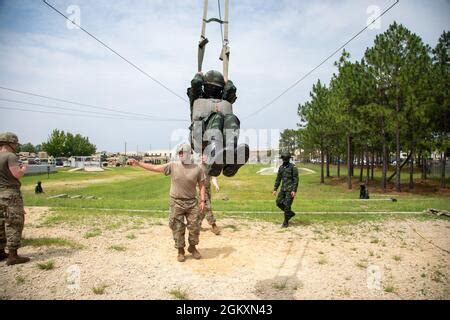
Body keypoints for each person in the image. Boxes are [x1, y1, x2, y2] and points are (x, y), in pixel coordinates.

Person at [129, 143, 206, 263]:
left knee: (195, 227)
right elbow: (155, 168)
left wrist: (202, 200)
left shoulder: (197, 168)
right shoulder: (173, 166)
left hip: (192, 203)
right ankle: (180, 250)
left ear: (189, 154)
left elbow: (202, 185)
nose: (180, 155)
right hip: (176, 202)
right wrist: (139, 163)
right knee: (177, 227)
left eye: (183, 153)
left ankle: (193, 247)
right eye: (179, 153)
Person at [187, 70, 249, 177]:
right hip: (199, 136)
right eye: (210, 87)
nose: (213, 90)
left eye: (216, 88)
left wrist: (227, 81)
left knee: (231, 118)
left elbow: (231, 90)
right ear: (205, 86)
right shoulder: (196, 97)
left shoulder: (223, 100)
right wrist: (199, 75)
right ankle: (214, 154)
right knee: (218, 116)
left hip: (218, 140)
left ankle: (229, 162)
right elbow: (196, 83)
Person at [0, 132, 30, 265]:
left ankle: (1, 252)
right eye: (15, 143)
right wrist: (23, 168)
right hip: (10, 194)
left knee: (0, 223)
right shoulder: (10, 156)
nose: (16, 146)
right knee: (14, 221)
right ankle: (13, 255)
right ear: (10, 143)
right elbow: (16, 174)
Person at [273, 152, 299, 228]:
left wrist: (294, 190)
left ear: (288, 159)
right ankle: (290, 213)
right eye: (283, 158)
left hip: (290, 190)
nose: (284, 160)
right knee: (278, 203)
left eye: (285, 158)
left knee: (287, 206)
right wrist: (275, 189)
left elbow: (296, 180)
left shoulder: (293, 167)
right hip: (283, 189)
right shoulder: (281, 168)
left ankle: (285, 222)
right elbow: (278, 179)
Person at [199, 154, 221, 235]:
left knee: (203, 208)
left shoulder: (210, 166)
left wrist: (216, 185)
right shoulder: (197, 167)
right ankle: (214, 225)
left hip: (208, 188)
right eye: (201, 156)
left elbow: (213, 177)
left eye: (205, 155)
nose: (203, 157)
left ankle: (197, 224)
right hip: (200, 189)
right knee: (207, 206)